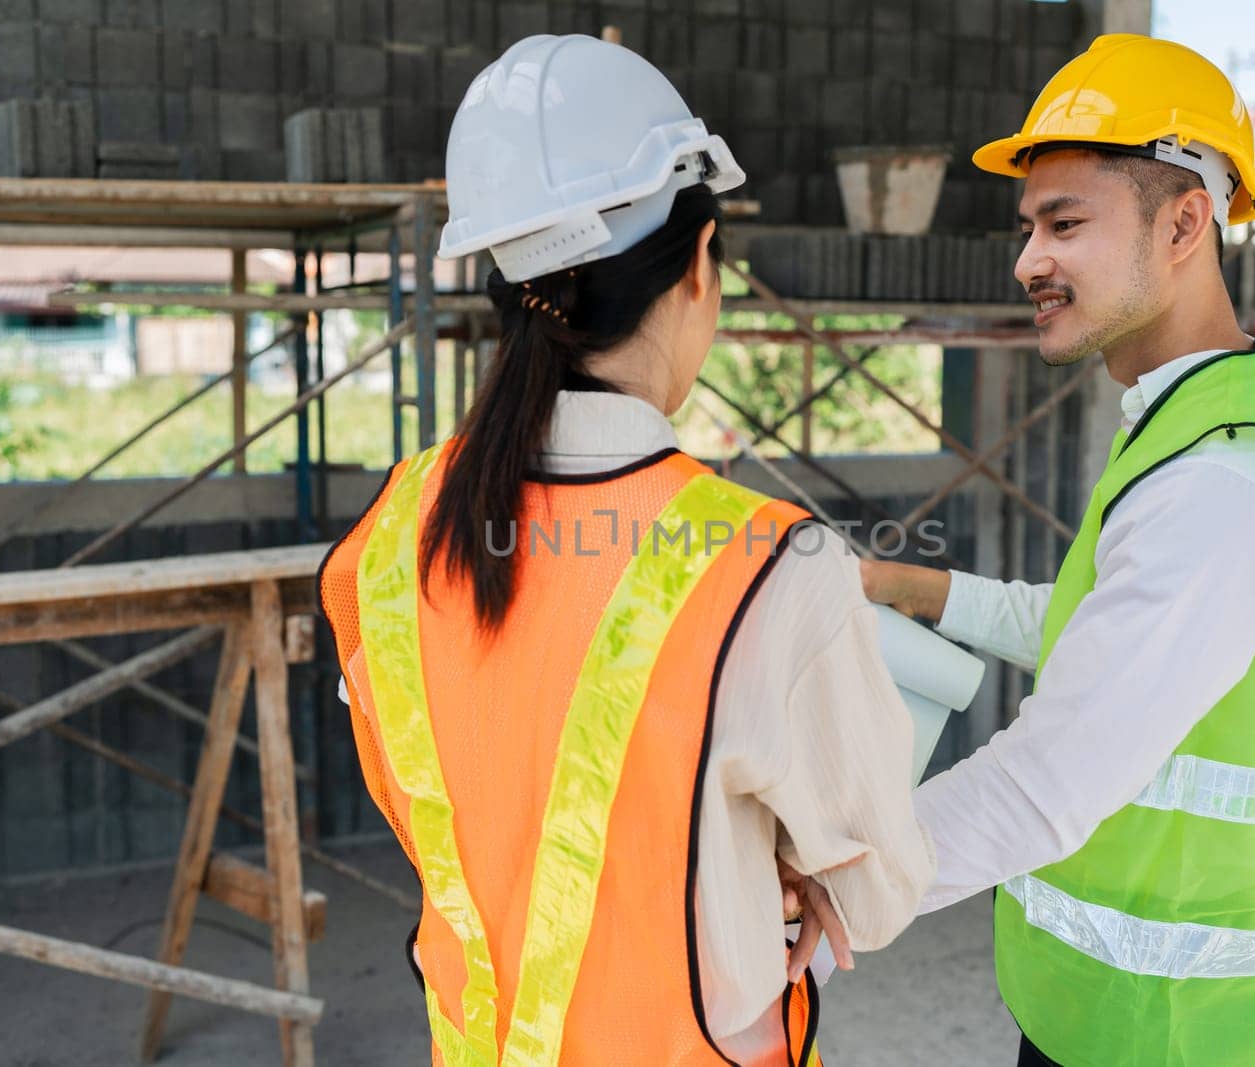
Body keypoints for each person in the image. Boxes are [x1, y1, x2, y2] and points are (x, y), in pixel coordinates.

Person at [318, 34, 932, 1067]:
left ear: (508, 289)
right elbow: (874, 892)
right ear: (698, 264)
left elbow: (451, 800)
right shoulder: (774, 567)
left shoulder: (391, 532)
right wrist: (758, 868)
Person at [851, 33, 1255, 1066]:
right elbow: (1110, 627)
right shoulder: (1209, 409)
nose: (1027, 260)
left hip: (1179, 1032)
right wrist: (907, 587)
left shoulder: (1221, 477)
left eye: (1064, 222)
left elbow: (1047, 779)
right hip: (1110, 1013)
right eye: (1028, 225)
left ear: (1184, 222)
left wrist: (806, 889)